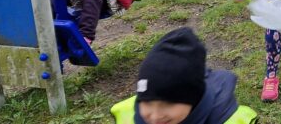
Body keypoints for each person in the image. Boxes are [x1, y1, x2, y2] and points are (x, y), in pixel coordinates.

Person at [110, 27, 258, 124]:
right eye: (147, 102)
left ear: (194, 98)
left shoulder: (225, 118)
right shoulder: (130, 115)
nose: (155, 116)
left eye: (168, 103)